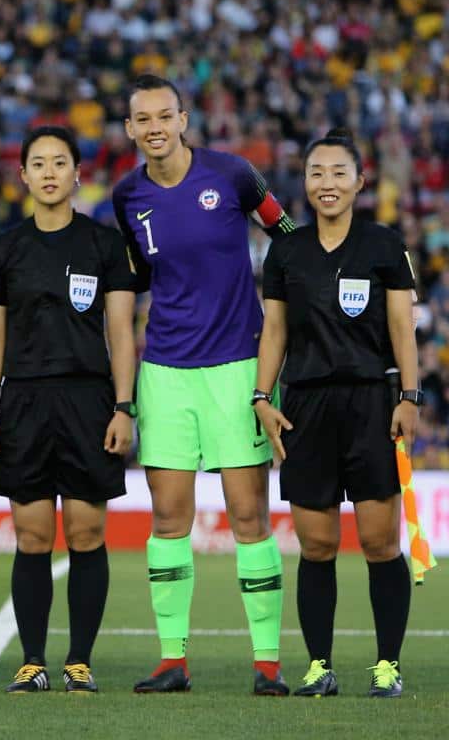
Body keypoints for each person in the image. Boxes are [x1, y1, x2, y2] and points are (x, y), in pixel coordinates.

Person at [112, 74, 296, 695]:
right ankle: (172, 661)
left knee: (250, 517)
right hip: (164, 371)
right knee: (168, 518)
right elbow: (136, 277)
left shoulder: (234, 175)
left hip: (237, 368)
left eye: (166, 115)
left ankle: (268, 666)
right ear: (131, 129)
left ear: (184, 118)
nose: (155, 127)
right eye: (143, 119)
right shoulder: (126, 195)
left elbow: (292, 241)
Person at [254, 128, 419, 698]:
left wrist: (410, 397)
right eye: (317, 173)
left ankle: (387, 666)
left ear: (359, 181)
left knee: (380, 544)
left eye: (338, 173)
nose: (328, 183)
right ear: (305, 182)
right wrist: (261, 398)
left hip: (371, 403)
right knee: (317, 545)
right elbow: (273, 330)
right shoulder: (287, 250)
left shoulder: (383, 245)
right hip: (304, 407)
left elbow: (402, 327)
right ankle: (319, 667)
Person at [0, 126, 137, 693]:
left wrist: (123, 406)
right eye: (37, 163)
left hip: (90, 401)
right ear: (22, 175)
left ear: (76, 174)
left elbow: (121, 330)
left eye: (59, 162)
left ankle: (79, 661)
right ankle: (34, 661)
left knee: (88, 534)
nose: (48, 172)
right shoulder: (3, 248)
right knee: (32, 535)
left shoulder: (104, 245)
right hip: (24, 401)